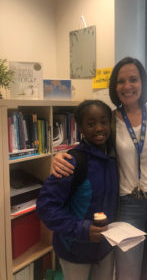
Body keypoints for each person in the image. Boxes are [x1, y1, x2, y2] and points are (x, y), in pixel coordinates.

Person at [51, 57, 147, 280]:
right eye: (121, 81)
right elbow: (90, 145)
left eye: (133, 79)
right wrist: (60, 155)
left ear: (143, 82)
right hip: (128, 205)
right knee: (128, 273)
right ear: (114, 87)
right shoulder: (110, 120)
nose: (127, 86)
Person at [36, 100, 118, 280]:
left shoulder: (113, 158)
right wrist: (82, 229)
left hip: (105, 247)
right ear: (80, 127)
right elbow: (46, 207)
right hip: (75, 250)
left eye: (104, 122)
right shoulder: (72, 162)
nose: (99, 128)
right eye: (91, 123)